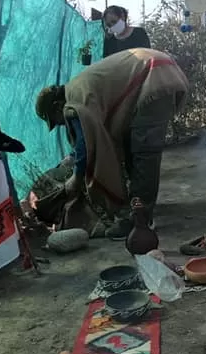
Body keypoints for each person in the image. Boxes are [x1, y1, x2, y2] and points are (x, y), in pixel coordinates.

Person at [35, 47, 189, 238]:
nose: (61, 125)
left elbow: (86, 144)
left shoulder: (73, 105)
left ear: (57, 106)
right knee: (133, 150)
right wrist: (74, 159)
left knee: (144, 154)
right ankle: (140, 205)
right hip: (157, 68)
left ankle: (139, 221)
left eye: (56, 121)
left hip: (153, 78)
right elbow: (91, 137)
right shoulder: (78, 89)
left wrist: (76, 177)